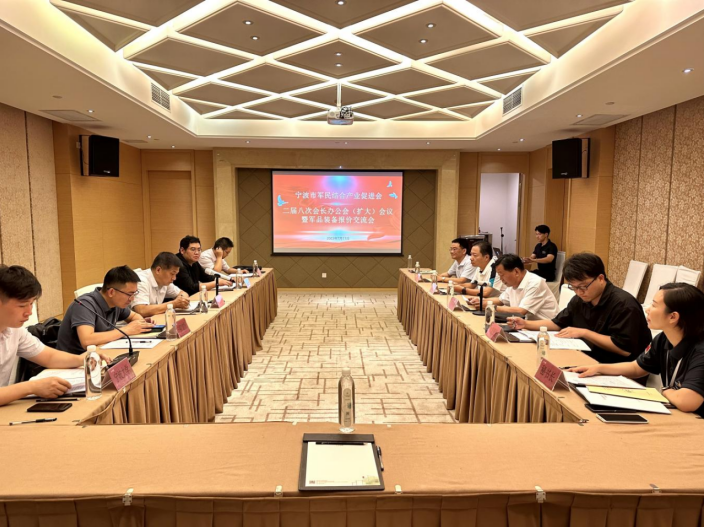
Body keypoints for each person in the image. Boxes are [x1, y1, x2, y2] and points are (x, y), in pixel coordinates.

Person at [571, 283, 704, 417]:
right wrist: (599, 368)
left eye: (654, 305)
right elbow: (637, 368)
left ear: (673, 317)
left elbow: (687, 401)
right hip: (678, 414)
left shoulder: (700, 350)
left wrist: (665, 390)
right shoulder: (663, 338)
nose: (647, 310)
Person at [509, 252, 651, 363]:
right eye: (574, 287)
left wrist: (584, 333)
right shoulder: (580, 299)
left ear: (600, 278)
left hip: (617, 368)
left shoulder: (624, 305)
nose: (579, 292)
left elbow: (624, 349)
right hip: (585, 358)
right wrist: (526, 324)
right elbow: (558, 323)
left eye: (583, 286)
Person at [0, 265, 111, 406]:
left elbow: (49, 357)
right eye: (22, 305)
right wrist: (31, 387)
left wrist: (83, 359)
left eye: (31, 303)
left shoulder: (15, 330)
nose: (29, 312)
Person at [57, 266, 153, 354]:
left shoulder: (116, 303)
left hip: (101, 354)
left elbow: (134, 316)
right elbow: (87, 341)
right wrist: (127, 330)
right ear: (111, 292)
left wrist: (141, 324)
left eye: (134, 293)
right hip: (76, 361)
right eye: (129, 294)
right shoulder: (84, 305)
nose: (132, 299)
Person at [469, 254, 558, 320]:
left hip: (546, 330)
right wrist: (481, 301)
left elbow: (521, 311)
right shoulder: (513, 283)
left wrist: (491, 307)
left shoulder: (535, 283)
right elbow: (500, 300)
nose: (501, 279)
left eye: (502, 275)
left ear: (516, 272)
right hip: (524, 326)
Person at [131, 252, 191, 317]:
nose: (174, 278)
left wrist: (182, 300)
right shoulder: (141, 281)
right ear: (158, 270)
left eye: (176, 274)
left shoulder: (164, 281)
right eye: (172, 274)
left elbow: (182, 293)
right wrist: (173, 304)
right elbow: (141, 310)